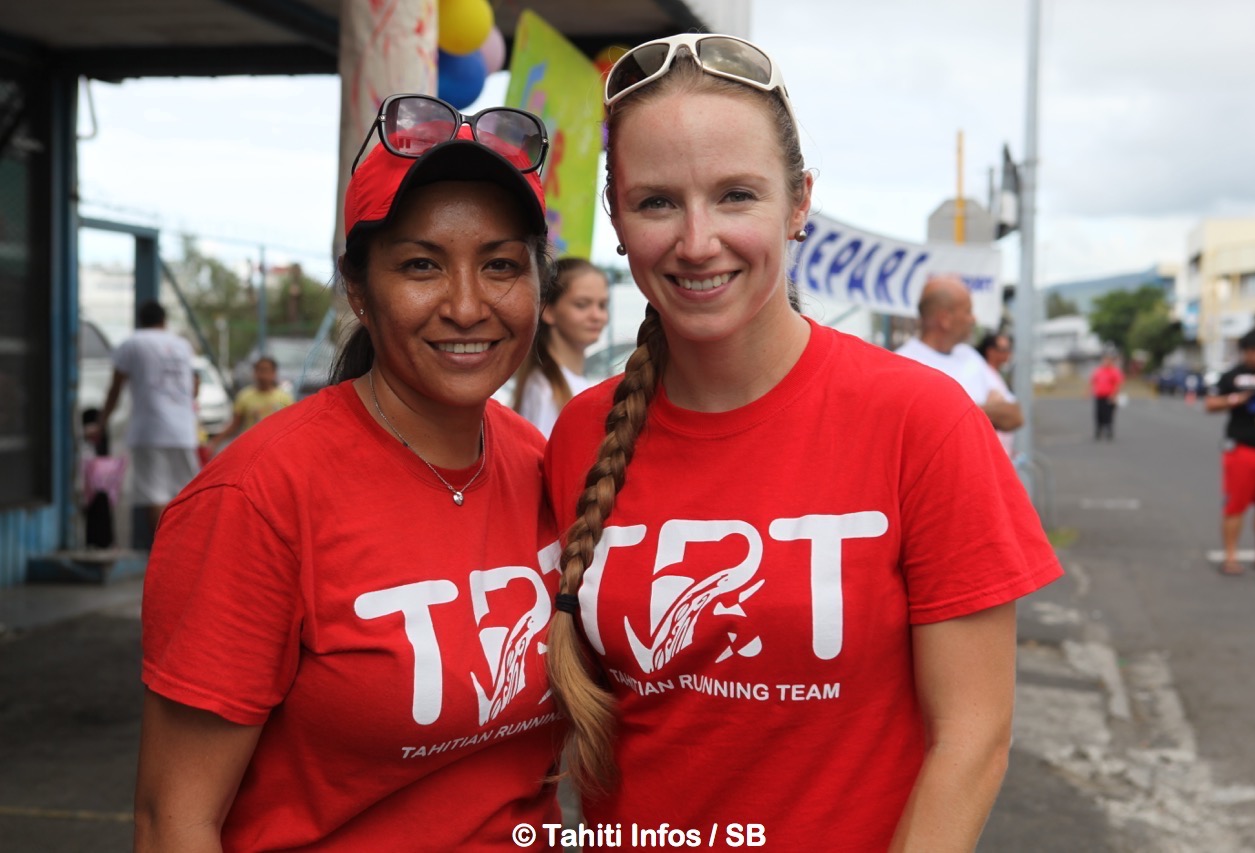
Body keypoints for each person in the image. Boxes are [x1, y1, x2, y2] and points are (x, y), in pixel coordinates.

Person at [541, 34, 1063, 851]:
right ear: (615, 217)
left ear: (798, 204)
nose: (697, 240)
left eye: (736, 195)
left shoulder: (921, 419)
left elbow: (972, 738)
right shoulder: (580, 434)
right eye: (656, 202)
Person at [134, 94, 565, 851]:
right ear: (360, 291)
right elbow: (175, 819)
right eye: (422, 265)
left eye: (501, 265)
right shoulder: (258, 497)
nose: (467, 305)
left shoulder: (541, 463)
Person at [88, 299, 200, 536]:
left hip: (150, 429)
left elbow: (115, 388)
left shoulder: (132, 343)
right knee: (188, 493)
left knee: (155, 494)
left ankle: (163, 555)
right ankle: (187, 549)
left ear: (140, 320)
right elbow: (194, 385)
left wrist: (101, 423)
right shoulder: (182, 345)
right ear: (164, 320)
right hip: (184, 430)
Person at [895, 275, 1024, 433]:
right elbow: (926, 430)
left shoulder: (969, 355)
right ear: (945, 319)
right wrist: (989, 409)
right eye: (968, 311)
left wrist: (957, 415)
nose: (973, 319)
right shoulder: (903, 365)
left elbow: (1015, 415)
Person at [1204, 328, 1255, 576]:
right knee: (1235, 505)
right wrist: (1237, 400)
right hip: (1242, 449)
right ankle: (1230, 556)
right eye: (1251, 352)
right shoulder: (1232, 376)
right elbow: (1210, 404)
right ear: (1243, 352)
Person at [512, 257, 610, 436]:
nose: (597, 316)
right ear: (548, 311)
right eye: (582, 305)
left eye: (602, 305)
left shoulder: (569, 382)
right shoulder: (544, 390)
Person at [207, 356, 295, 451]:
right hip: (251, 448)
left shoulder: (285, 398)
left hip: (275, 448)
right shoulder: (244, 396)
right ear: (255, 373)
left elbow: (293, 426)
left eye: (266, 370)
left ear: (274, 373)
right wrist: (216, 441)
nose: (263, 375)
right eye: (260, 370)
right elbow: (234, 425)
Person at [977, 331, 1019, 457]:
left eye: (1009, 349)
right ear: (991, 351)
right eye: (1004, 349)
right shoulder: (983, 374)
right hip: (992, 452)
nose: (1008, 353)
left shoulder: (995, 374)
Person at [1089, 350, 1125, 440]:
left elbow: (1118, 384)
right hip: (1099, 396)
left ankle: (1109, 431)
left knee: (1108, 414)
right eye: (1105, 359)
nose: (1106, 362)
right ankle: (1098, 431)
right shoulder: (1098, 370)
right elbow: (1093, 381)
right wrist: (1088, 392)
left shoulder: (1114, 371)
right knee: (1099, 414)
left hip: (1109, 396)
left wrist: (1114, 395)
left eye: (1108, 360)